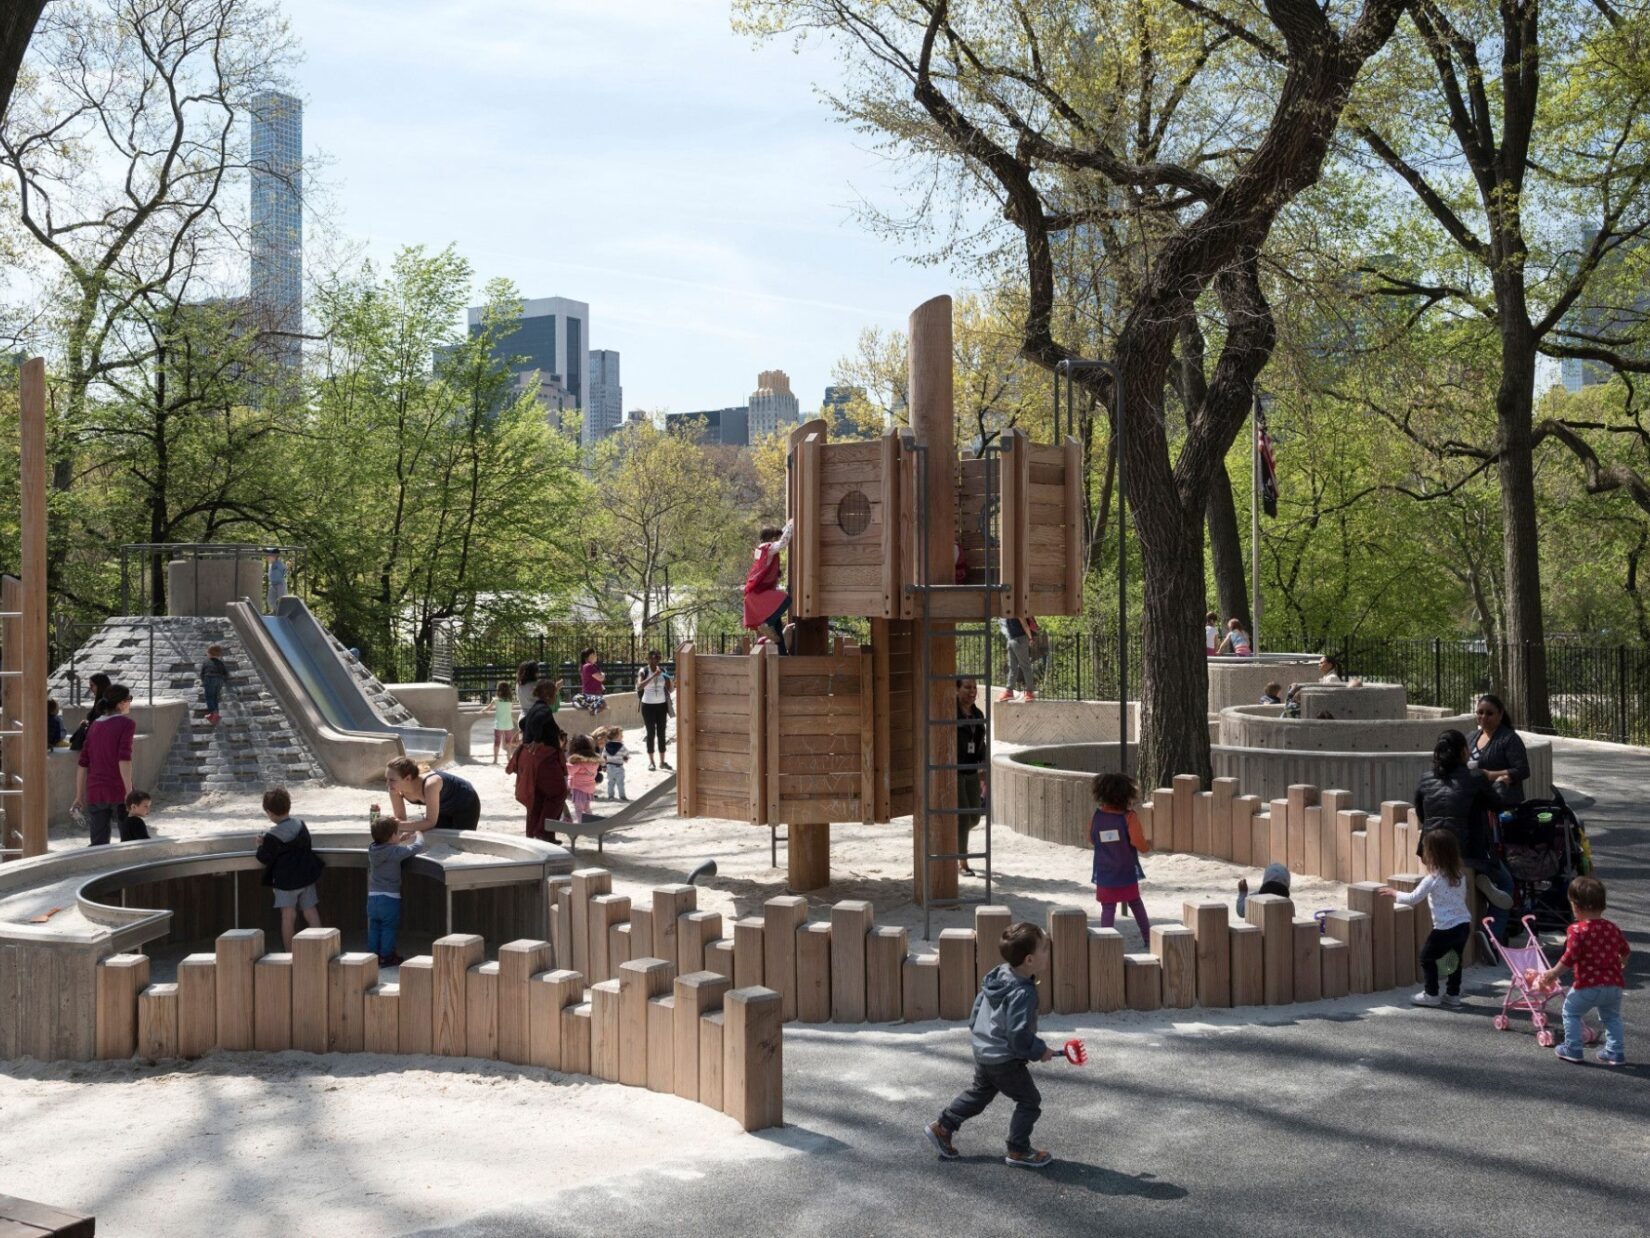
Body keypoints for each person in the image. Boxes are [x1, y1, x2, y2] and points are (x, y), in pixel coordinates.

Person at [923, 922, 1055, 1169]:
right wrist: (1040, 1051)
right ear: (1029, 960)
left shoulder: (999, 974)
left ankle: (943, 1127)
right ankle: (1018, 1149)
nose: (1048, 952)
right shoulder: (1024, 993)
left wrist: (980, 1035)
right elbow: (1018, 1036)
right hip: (1004, 1059)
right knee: (1029, 1101)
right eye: (1044, 949)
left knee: (979, 1095)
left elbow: (977, 1009)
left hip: (984, 1050)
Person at [1413, 729, 1515, 941]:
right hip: (1467, 852)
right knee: (1506, 883)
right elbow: (1497, 805)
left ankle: (1480, 878)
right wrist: (1501, 785)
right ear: (1463, 752)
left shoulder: (1425, 779)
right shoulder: (1474, 777)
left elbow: (1422, 815)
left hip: (1431, 851)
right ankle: (1491, 937)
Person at [1539, 876, 1628, 1066]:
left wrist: (1552, 974)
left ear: (1576, 906)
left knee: (1570, 1012)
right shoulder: (1612, 928)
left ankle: (1573, 1048)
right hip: (1613, 985)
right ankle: (1616, 1051)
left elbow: (1569, 958)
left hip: (1588, 985)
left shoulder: (1577, 930)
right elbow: (1625, 950)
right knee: (1612, 1017)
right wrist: (1622, 962)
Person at [1381, 830, 1472, 1008]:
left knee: (1426, 958)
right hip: (1463, 924)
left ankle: (1431, 994)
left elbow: (1413, 898)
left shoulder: (1433, 879)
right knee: (1454, 959)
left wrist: (1394, 893)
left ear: (1432, 854)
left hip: (1445, 928)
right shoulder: (1460, 875)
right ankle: (1453, 994)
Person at [256, 787, 324, 949]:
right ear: (289, 806)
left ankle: (289, 954)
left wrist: (260, 845)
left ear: (269, 812)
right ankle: (322, 947)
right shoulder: (300, 825)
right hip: (306, 877)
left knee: (288, 916)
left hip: (285, 882)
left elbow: (264, 858)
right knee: (310, 911)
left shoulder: (271, 836)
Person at [72, 683, 140, 845]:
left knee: (98, 845)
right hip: (118, 790)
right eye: (129, 699)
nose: (130, 702)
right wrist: (129, 792)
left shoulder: (94, 726)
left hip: (95, 791)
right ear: (121, 703)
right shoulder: (127, 724)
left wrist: (78, 795)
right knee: (130, 841)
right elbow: (124, 759)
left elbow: (83, 764)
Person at [1090, 772, 1151, 941]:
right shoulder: (1129, 817)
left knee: (1108, 908)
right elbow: (1138, 841)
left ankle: (1105, 942)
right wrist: (1146, 848)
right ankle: (1148, 937)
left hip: (1104, 871)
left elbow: (1092, 838)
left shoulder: (1097, 816)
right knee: (1136, 903)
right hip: (1125, 870)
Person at [367, 815, 424, 967]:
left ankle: (372, 956)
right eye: (397, 833)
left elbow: (387, 846)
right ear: (392, 836)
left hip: (373, 898)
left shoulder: (372, 849)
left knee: (374, 927)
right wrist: (419, 834)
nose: (399, 835)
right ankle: (386, 956)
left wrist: (399, 839)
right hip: (389, 899)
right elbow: (417, 848)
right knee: (388, 928)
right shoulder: (395, 852)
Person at [514, 678, 566, 844]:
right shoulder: (543, 709)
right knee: (558, 793)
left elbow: (523, 723)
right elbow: (537, 721)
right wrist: (537, 739)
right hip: (544, 760)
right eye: (554, 693)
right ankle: (543, 832)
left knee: (538, 798)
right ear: (549, 694)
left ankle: (536, 834)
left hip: (532, 759)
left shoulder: (534, 708)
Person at [385, 756, 481, 832]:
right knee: (439, 838)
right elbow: (401, 819)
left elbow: (430, 822)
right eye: (387, 779)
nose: (388, 784)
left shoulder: (431, 784)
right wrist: (397, 824)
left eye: (392, 780)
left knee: (460, 844)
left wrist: (401, 826)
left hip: (465, 802)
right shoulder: (394, 788)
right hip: (443, 807)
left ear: (408, 778)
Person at [1469, 693, 1530, 807]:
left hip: (1504, 804)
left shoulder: (1510, 739)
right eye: (1480, 712)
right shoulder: (1471, 737)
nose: (1484, 717)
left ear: (1500, 714)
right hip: (1478, 802)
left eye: (1489, 713)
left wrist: (1489, 775)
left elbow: (1522, 770)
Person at [743, 520, 794, 655]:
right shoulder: (768, 548)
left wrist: (786, 527)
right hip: (759, 594)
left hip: (754, 594)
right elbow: (783, 543)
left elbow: (781, 539)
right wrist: (791, 525)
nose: (777, 541)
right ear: (771, 539)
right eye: (775, 538)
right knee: (786, 599)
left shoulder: (760, 550)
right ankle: (767, 623)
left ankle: (782, 655)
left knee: (777, 629)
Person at [956, 679, 987, 877]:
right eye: (967, 687)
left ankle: (955, 839)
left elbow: (981, 743)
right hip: (955, 771)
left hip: (972, 771)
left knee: (975, 817)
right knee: (963, 817)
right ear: (956, 689)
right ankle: (962, 862)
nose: (972, 691)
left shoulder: (978, 714)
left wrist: (983, 768)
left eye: (974, 687)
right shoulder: (950, 714)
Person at [637, 650, 673, 771]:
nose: (656, 660)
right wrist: (653, 675)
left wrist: (669, 680)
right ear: (648, 659)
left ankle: (662, 762)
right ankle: (651, 762)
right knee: (651, 733)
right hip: (648, 706)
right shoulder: (644, 671)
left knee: (662, 733)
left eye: (658, 658)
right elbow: (639, 686)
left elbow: (669, 688)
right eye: (653, 658)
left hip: (661, 705)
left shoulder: (663, 671)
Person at [68, 672, 113, 751]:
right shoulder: (103, 700)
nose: (90, 688)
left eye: (92, 685)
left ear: (100, 685)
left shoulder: (104, 703)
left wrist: (87, 725)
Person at [999, 616, 1038, 703]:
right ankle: (1009, 691)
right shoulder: (1007, 613)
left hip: (1020, 639)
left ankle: (1029, 692)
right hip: (1011, 639)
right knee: (1013, 667)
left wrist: (1030, 638)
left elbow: (1025, 625)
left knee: (1025, 666)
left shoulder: (1018, 611)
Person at [565, 734, 602, 824]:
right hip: (589, 789)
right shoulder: (593, 760)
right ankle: (591, 823)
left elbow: (570, 771)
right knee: (587, 808)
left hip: (579, 789)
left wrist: (566, 763)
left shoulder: (578, 761)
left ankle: (582, 825)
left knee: (578, 809)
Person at [200, 643, 229, 726]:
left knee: (209, 696)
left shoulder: (206, 662)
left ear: (209, 653)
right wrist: (223, 681)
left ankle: (212, 713)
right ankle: (216, 713)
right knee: (215, 696)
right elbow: (226, 674)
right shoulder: (221, 663)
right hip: (219, 680)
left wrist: (204, 681)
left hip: (209, 679)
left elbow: (202, 673)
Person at [572, 648, 607, 716]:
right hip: (590, 694)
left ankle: (589, 706)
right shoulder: (588, 666)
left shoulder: (593, 666)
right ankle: (590, 707)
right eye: (595, 654)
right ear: (591, 655)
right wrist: (603, 674)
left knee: (602, 703)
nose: (596, 656)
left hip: (596, 694)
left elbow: (598, 679)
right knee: (602, 703)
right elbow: (601, 678)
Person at [602, 727, 631, 801]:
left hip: (609, 767)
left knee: (610, 783)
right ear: (616, 736)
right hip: (618, 767)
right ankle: (622, 796)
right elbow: (626, 754)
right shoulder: (622, 746)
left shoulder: (606, 746)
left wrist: (604, 766)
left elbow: (603, 757)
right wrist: (626, 758)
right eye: (621, 735)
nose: (622, 736)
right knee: (620, 783)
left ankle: (611, 796)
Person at [491, 679, 515, 764]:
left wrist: (482, 711)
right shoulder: (510, 701)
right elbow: (511, 709)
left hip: (498, 724)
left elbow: (488, 708)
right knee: (509, 741)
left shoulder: (496, 700)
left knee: (497, 741)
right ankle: (509, 757)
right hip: (508, 723)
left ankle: (495, 759)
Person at [264, 549, 287, 614]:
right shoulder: (271, 564)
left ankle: (281, 612)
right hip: (273, 584)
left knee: (281, 599)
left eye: (269, 555)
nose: (267, 557)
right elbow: (271, 573)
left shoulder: (279, 563)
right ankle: (276, 611)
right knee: (270, 599)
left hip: (280, 584)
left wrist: (284, 576)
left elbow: (284, 570)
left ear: (275, 556)